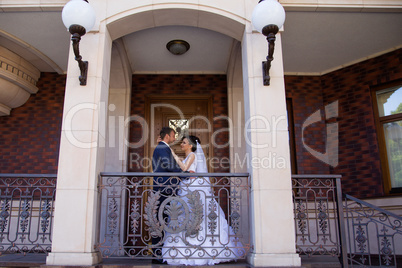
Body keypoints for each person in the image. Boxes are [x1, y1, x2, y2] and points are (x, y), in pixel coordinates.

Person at [161, 135, 243, 265]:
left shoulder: (192, 155)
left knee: (196, 214)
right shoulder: (189, 156)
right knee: (186, 215)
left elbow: (184, 168)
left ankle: (204, 248)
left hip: (193, 187)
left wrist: (173, 154)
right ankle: (184, 248)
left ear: (191, 146)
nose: (181, 145)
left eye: (184, 142)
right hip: (188, 186)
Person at [151, 127, 183, 263]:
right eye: (173, 135)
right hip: (164, 189)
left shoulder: (163, 147)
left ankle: (160, 253)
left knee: (162, 219)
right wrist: (185, 175)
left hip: (164, 188)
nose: (175, 138)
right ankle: (157, 255)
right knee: (160, 220)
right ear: (167, 136)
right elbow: (169, 166)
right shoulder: (162, 148)